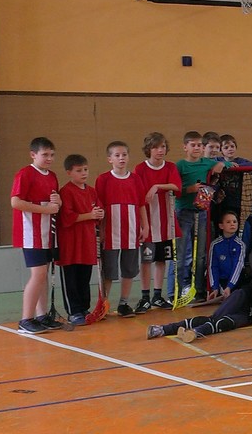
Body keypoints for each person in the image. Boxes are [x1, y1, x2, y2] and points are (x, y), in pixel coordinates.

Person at [11, 137, 63, 334]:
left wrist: (58, 202)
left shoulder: (52, 176)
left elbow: (54, 205)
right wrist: (46, 210)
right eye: (45, 155)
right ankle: (26, 319)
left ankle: (42, 316)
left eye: (52, 155)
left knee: (43, 276)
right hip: (31, 233)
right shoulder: (25, 174)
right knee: (38, 274)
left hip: (47, 233)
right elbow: (16, 202)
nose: (49, 158)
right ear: (33, 155)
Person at [96, 141, 149, 316]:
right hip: (110, 233)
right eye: (117, 155)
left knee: (129, 269)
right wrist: (101, 230)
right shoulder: (103, 179)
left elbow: (141, 204)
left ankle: (124, 303)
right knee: (109, 271)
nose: (121, 158)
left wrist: (145, 225)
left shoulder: (135, 179)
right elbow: (99, 206)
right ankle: (103, 305)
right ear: (109, 159)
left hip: (132, 231)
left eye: (124, 155)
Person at [175, 131, 226, 302]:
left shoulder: (207, 163)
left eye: (199, 145)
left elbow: (229, 163)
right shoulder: (180, 165)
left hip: (202, 212)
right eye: (193, 145)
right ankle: (177, 290)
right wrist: (189, 189)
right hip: (184, 212)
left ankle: (198, 290)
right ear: (185, 147)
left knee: (201, 254)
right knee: (182, 253)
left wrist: (221, 164)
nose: (196, 148)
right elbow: (175, 190)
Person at [134, 132, 181, 310]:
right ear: (149, 149)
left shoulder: (170, 167)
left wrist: (156, 186)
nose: (160, 150)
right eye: (155, 147)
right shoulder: (140, 169)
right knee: (146, 260)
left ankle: (157, 295)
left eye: (163, 147)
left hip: (166, 222)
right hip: (147, 221)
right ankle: (145, 296)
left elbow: (176, 186)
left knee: (161, 260)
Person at [56, 154, 104, 326]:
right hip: (70, 243)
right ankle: (73, 311)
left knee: (84, 277)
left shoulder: (92, 191)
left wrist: (99, 214)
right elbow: (66, 217)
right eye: (79, 170)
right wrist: (90, 215)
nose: (83, 173)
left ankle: (84, 308)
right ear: (69, 172)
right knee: (71, 278)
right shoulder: (66, 191)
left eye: (85, 169)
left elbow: (98, 211)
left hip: (86, 241)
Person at [206, 210, 246, 303]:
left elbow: (238, 267)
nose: (232, 224)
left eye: (234, 221)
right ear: (221, 226)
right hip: (222, 282)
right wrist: (215, 287)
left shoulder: (240, 245)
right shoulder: (215, 245)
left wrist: (229, 286)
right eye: (228, 222)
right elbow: (212, 267)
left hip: (236, 282)